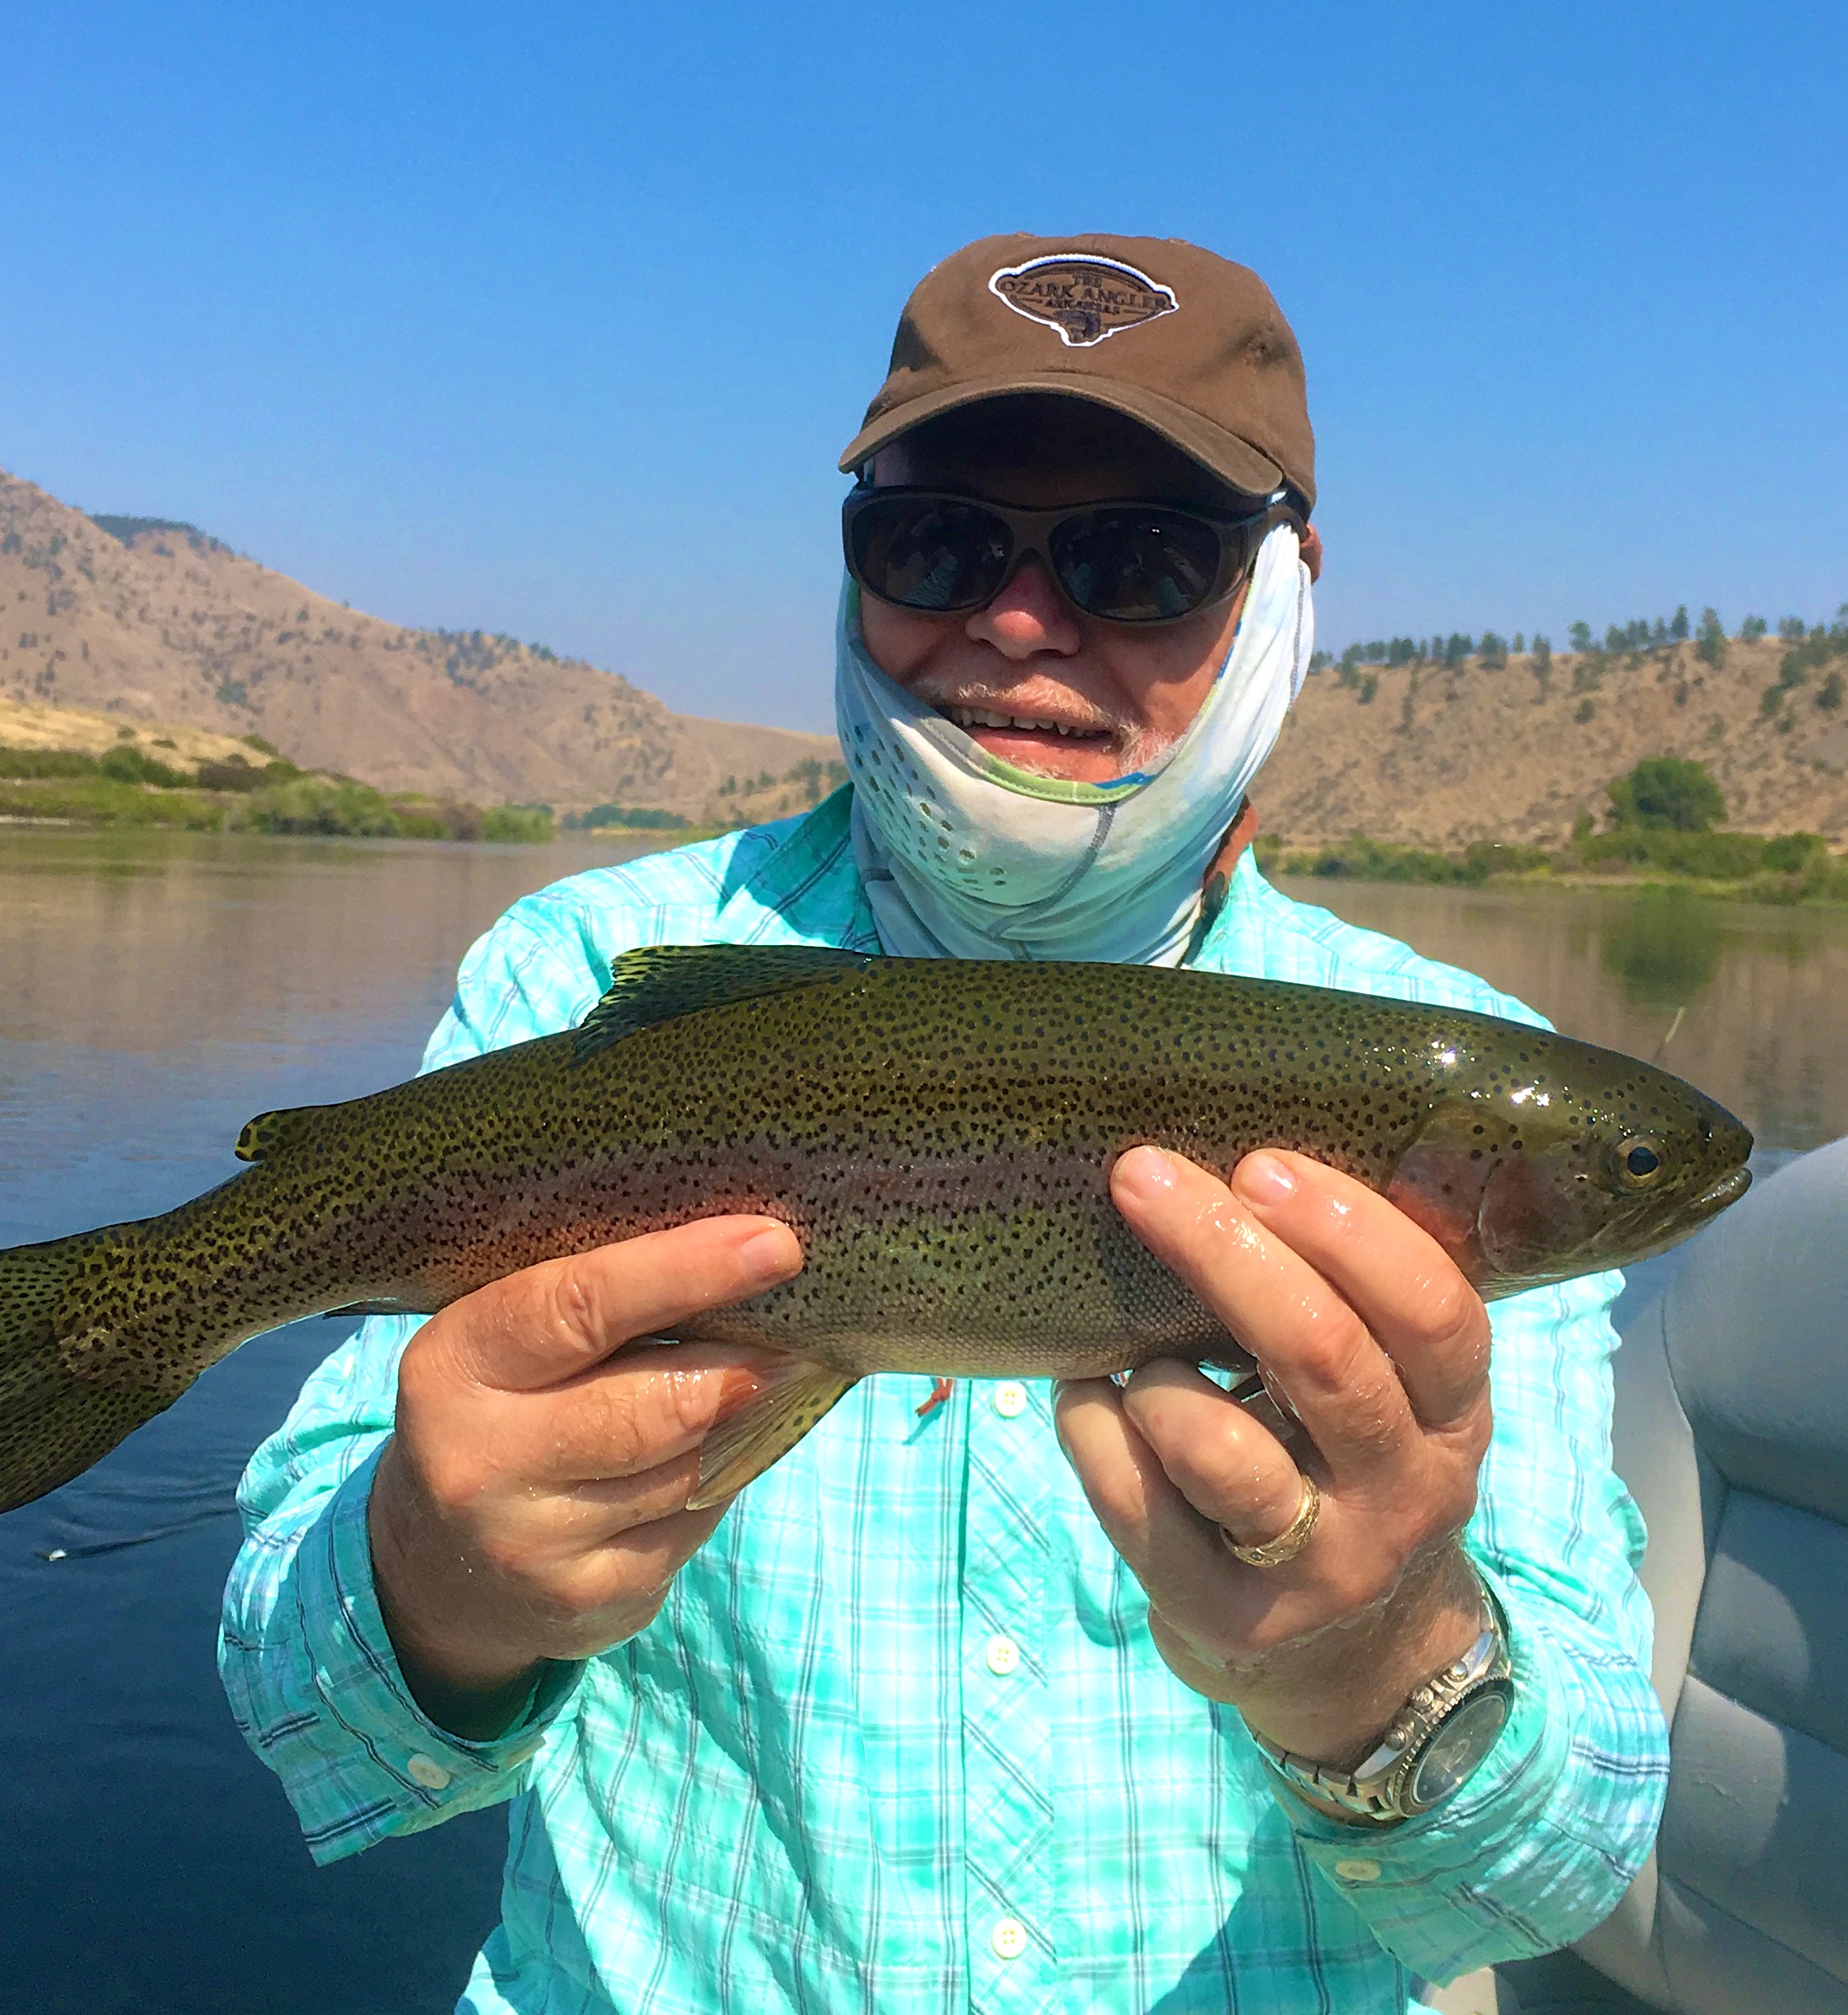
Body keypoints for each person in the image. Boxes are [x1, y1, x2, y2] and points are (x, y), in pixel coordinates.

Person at [221, 233, 1664, 2012]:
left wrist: (1385, 1655)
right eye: (936, 540)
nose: (1016, 620)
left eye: (1139, 560)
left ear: (1280, 592)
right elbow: (301, 1703)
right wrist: (436, 1581)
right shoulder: (578, 973)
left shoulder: (1466, 1057)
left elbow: (1583, 1849)